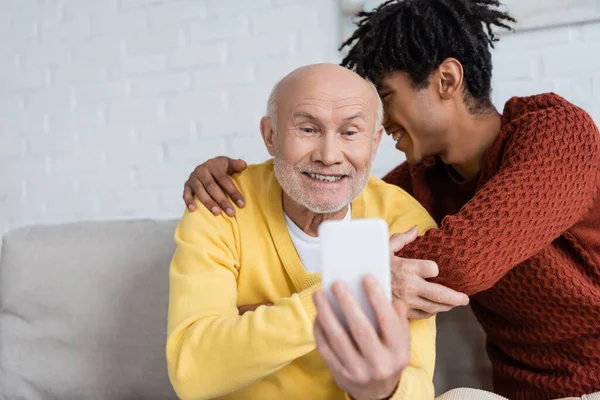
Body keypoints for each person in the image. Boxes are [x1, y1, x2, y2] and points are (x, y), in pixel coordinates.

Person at [179, 1, 600, 399]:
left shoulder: (555, 133)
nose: (377, 118)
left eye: (383, 96)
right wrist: (218, 175)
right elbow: (336, 193)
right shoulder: (417, 186)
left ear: (446, 81)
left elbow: (463, 262)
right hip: (520, 391)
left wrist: (258, 317)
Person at [167, 63, 438, 400]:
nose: (328, 155)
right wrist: (351, 294)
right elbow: (193, 372)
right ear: (270, 136)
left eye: (350, 132)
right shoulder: (221, 203)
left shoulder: (404, 223)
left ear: (374, 141)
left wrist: (258, 318)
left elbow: (415, 388)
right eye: (308, 129)